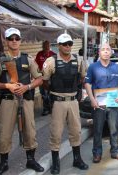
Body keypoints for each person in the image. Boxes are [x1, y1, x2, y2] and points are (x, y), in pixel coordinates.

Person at [0, 28, 44, 174]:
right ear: (6, 41)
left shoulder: (28, 59)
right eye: (11, 38)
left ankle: (31, 160)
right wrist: (7, 85)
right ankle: (3, 163)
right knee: (4, 133)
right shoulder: (0, 60)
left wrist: (27, 87)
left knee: (30, 131)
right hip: (8, 100)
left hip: (26, 100)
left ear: (20, 40)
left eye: (16, 38)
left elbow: (39, 79)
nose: (14, 41)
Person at [42, 33, 88, 174]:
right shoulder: (51, 61)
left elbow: (82, 78)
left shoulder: (79, 60)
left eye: (70, 44)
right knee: (56, 133)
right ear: (59, 46)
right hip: (58, 102)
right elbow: (45, 82)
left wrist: (78, 92)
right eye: (64, 44)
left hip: (73, 101)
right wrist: (54, 92)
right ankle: (56, 163)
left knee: (76, 131)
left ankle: (77, 158)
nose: (68, 46)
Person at [84, 43, 118, 163]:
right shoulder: (93, 67)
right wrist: (91, 98)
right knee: (98, 129)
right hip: (98, 104)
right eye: (103, 49)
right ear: (99, 52)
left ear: (111, 52)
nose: (106, 51)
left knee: (114, 129)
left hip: (113, 104)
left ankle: (115, 151)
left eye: (108, 49)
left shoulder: (116, 67)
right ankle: (97, 153)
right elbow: (87, 84)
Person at [35, 40, 56, 116]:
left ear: (49, 46)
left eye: (48, 46)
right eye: (45, 46)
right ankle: (46, 109)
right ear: (43, 46)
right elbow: (35, 64)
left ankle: (52, 108)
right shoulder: (39, 54)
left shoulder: (53, 55)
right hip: (41, 77)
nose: (46, 47)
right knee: (43, 94)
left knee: (51, 93)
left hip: (51, 78)